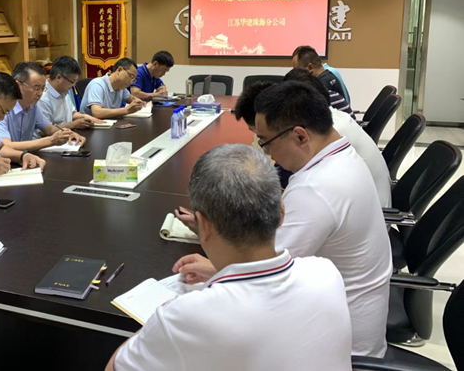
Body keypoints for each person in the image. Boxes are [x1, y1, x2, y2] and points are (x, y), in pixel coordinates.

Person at [174, 82, 392, 357]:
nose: (267, 154)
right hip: (342, 319)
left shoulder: (316, 189)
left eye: (265, 141)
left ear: (300, 136)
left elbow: (261, 276)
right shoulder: (342, 156)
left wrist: (217, 263)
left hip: (341, 350)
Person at [108, 144, 352, 371]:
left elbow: (113, 367)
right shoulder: (325, 273)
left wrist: (160, 321)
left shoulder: (186, 317)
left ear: (202, 226)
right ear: (281, 213)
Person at [284, 68, 392, 206]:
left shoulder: (328, 131)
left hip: (373, 209)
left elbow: (297, 178)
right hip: (366, 202)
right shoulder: (336, 116)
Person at [0, 62, 85, 151]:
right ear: (18, 85)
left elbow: (49, 129)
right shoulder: (2, 109)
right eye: (36, 88)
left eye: (43, 88)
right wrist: (50, 140)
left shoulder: (33, 107)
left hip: (24, 156)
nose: (40, 93)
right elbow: (5, 145)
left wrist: (68, 134)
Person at [37, 56, 104, 131]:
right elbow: (44, 131)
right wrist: (73, 124)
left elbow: (72, 113)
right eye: (72, 81)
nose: (73, 85)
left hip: (67, 134)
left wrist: (85, 117)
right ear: (58, 77)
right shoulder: (42, 98)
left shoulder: (63, 91)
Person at [80, 57, 144, 118]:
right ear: (119, 70)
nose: (131, 82)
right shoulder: (97, 85)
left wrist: (138, 102)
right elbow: (97, 112)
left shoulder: (121, 87)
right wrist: (126, 110)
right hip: (91, 124)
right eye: (131, 76)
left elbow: (131, 99)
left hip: (109, 123)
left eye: (133, 80)